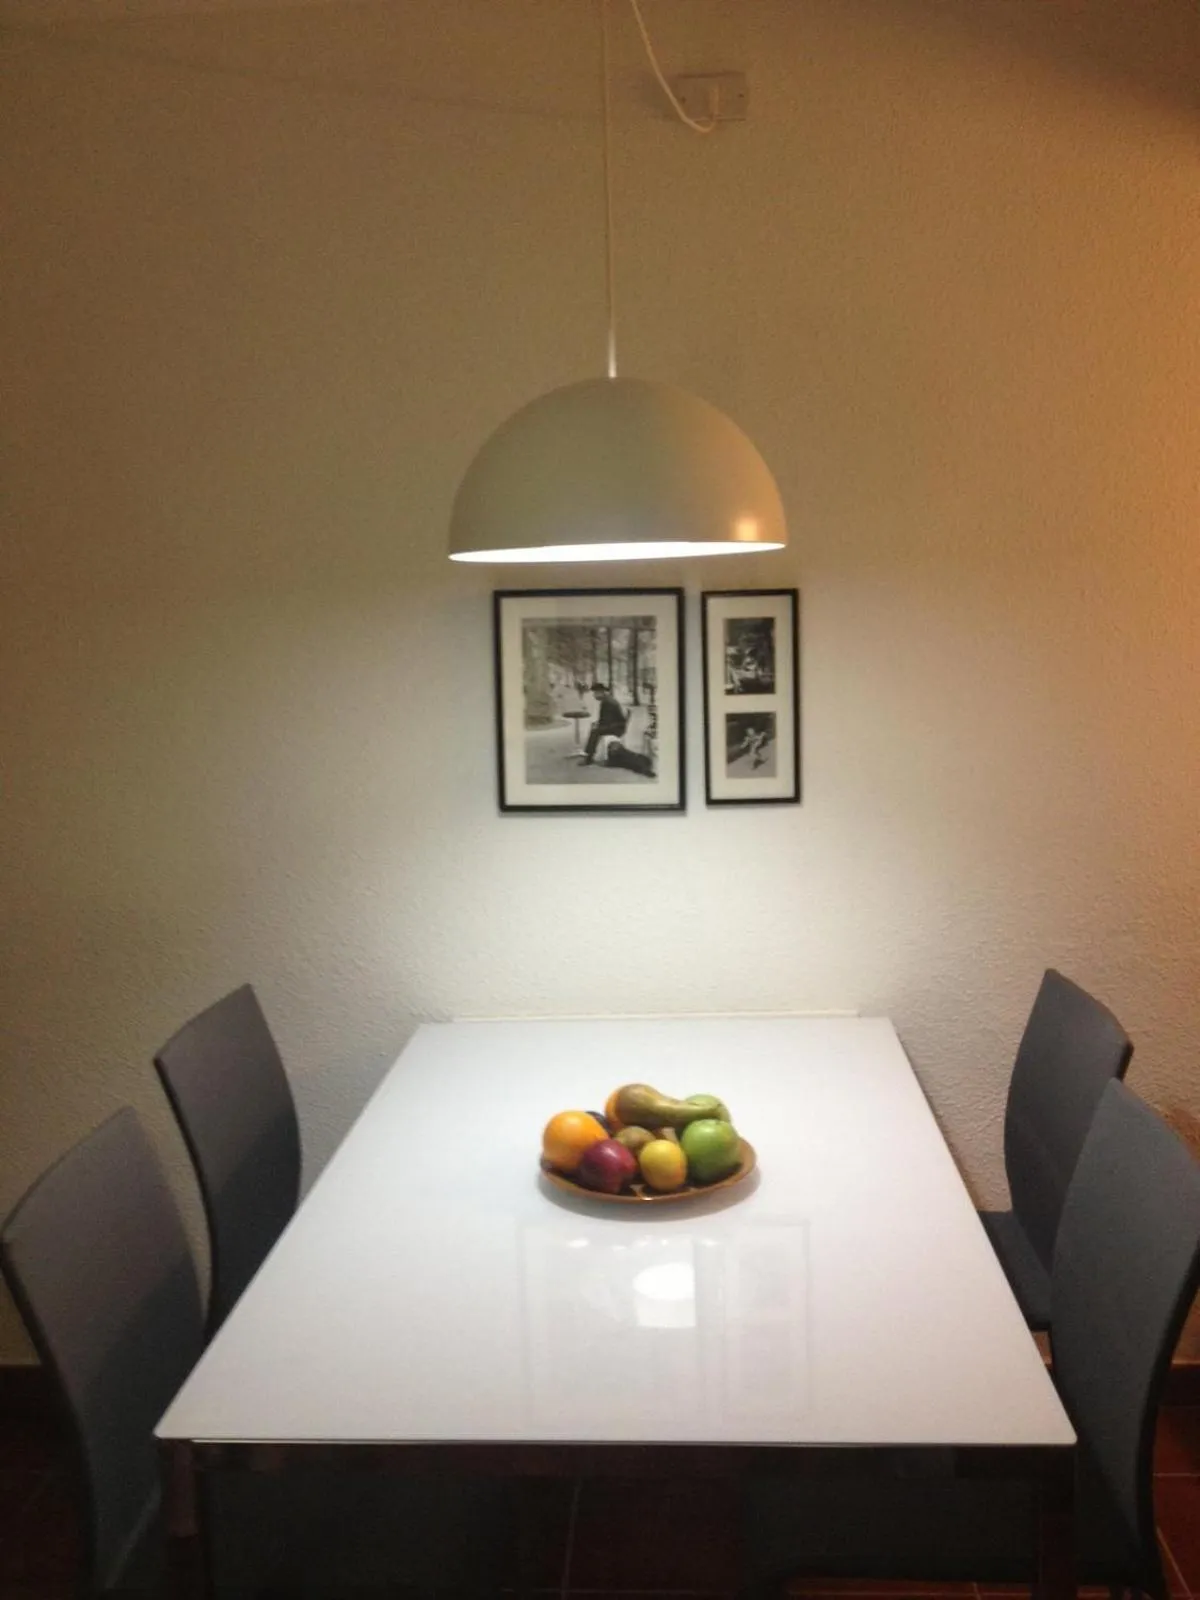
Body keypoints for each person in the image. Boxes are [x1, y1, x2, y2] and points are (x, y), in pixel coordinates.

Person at [579, 683, 627, 765]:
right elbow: (606, 719)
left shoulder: (607, 702)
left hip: (616, 728)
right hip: (617, 725)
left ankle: (588, 757)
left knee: (594, 732)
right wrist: (597, 723)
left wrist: (597, 725)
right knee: (595, 729)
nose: (594, 696)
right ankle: (588, 754)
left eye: (595, 693)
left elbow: (607, 721)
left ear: (601, 692)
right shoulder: (608, 700)